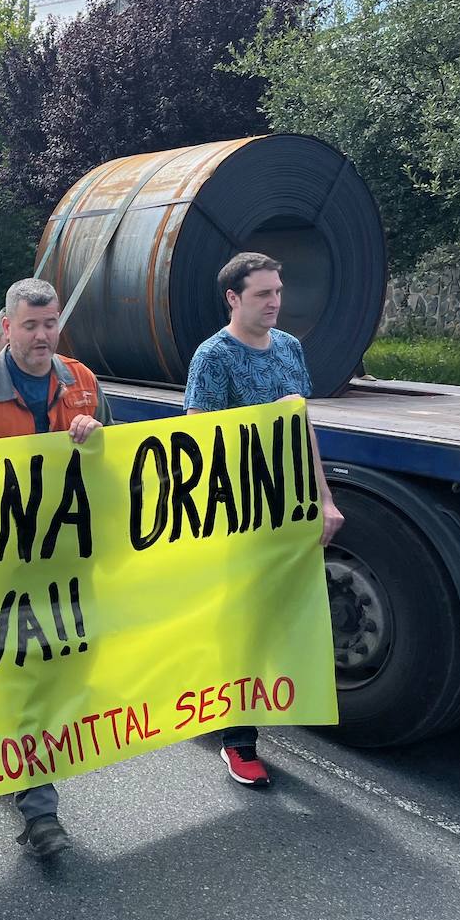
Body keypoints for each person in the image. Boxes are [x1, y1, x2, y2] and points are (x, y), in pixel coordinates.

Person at [0, 277, 110, 862]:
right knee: (21, 681)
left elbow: (107, 474)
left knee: (61, 675)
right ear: (6, 328)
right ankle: (40, 810)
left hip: (66, 566)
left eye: (51, 323)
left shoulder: (83, 383)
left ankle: (15, 762)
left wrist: (94, 440)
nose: (42, 335)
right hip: (2, 574)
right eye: (30, 325)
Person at [183, 251, 345, 788]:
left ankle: (218, 699)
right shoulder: (213, 357)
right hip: (237, 509)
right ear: (233, 298)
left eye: (278, 291)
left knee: (280, 615)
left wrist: (323, 498)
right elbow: (197, 442)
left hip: (289, 504)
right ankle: (239, 741)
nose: (275, 302)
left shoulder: (291, 349)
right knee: (242, 623)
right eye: (263, 294)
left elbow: (303, 429)